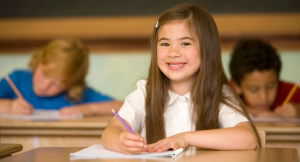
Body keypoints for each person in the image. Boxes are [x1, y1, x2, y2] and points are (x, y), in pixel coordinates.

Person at [101, 3, 260, 155]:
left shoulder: (219, 92)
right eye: (164, 44)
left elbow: (248, 139)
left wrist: (185, 138)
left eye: (185, 43)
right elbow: (110, 133)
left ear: (207, 48)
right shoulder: (145, 92)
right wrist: (121, 141)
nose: (173, 52)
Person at [0, 38, 123, 116]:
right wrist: (8, 107)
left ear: (71, 85)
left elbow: (122, 107)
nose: (45, 85)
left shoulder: (77, 96)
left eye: (56, 85)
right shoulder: (17, 79)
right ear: (39, 61)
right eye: (44, 74)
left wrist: (90, 108)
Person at [229, 39, 300, 118]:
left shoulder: (292, 92)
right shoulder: (225, 91)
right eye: (254, 89)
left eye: (270, 86)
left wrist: (298, 110)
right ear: (237, 86)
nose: (264, 97)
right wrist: (257, 112)